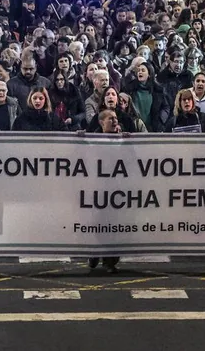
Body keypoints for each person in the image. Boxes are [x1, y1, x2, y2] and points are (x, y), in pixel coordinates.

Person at [86, 109, 123, 274]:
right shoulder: (92, 140)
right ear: (101, 122)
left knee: (114, 226)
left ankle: (110, 261)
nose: (115, 121)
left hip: (117, 190)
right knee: (97, 225)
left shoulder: (123, 139)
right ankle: (96, 251)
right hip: (98, 189)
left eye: (116, 118)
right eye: (111, 119)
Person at [122, 61, 171, 132]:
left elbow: (166, 107)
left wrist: (160, 119)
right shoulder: (130, 88)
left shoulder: (158, 90)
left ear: (149, 74)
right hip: (134, 127)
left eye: (143, 70)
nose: (140, 72)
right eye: (138, 70)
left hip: (153, 128)